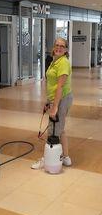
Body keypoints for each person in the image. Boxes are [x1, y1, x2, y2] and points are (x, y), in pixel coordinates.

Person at [32, 37, 73, 169]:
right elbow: (52, 84)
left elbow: (60, 87)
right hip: (55, 98)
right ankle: (66, 157)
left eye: (62, 46)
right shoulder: (55, 61)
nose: (59, 47)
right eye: (57, 45)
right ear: (53, 47)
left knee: (53, 130)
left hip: (62, 99)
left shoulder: (63, 63)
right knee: (60, 129)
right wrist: (48, 102)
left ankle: (48, 160)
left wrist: (54, 107)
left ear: (66, 49)